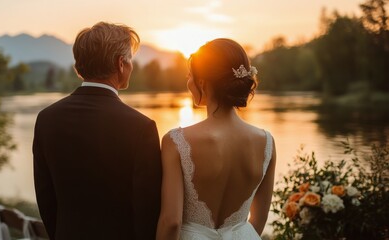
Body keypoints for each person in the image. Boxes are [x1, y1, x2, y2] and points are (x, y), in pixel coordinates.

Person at [33, 22, 162, 240]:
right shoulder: (141, 128)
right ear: (120, 64)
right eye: (130, 59)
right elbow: (147, 211)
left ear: (78, 66)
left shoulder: (46, 119)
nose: (132, 66)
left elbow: (46, 199)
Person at [156, 38, 276, 240]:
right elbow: (259, 220)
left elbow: (171, 221)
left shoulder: (176, 141)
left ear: (202, 82)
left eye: (189, 76)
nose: (188, 82)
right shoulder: (266, 142)